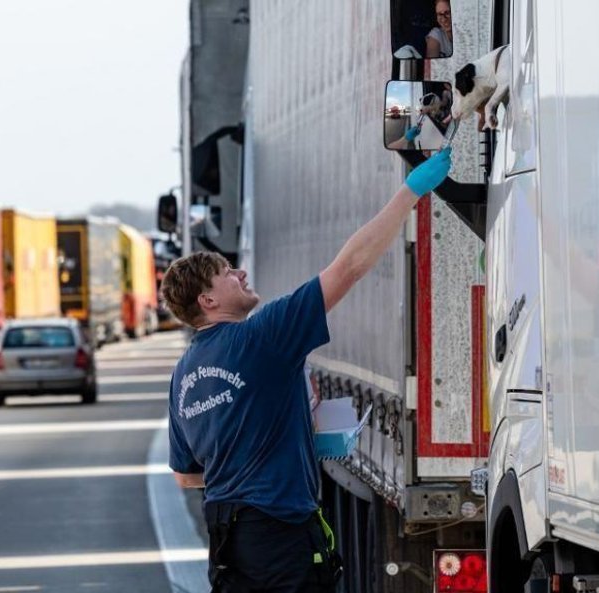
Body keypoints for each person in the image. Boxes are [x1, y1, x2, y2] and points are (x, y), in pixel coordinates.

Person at [160, 148, 453, 593]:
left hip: (228, 544)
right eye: (225, 272)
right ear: (208, 300)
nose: (239, 272)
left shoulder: (183, 375)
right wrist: (410, 191)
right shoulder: (262, 338)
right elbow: (350, 268)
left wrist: (264, 452)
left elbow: (186, 475)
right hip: (280, 536)